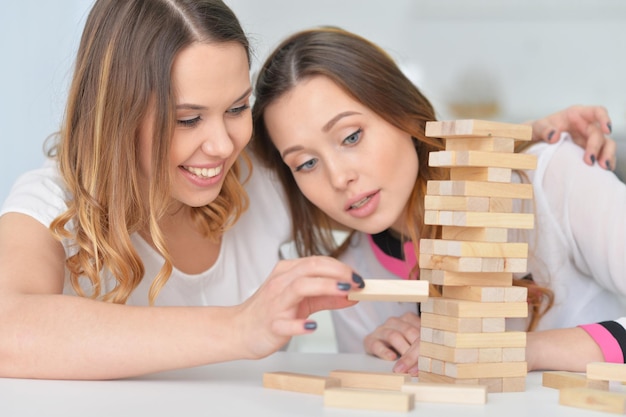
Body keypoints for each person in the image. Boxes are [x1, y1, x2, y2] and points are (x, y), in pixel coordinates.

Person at [0, 1, 367, 380]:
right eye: (188, 120)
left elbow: (390, 210)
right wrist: (241, 326)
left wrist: (409, 326)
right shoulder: (52, 202)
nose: (223, 146)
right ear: (116, 114)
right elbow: (7, 329)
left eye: (238, 108)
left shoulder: (262, 174)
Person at [250, 27, 626, 375]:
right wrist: (381, 362)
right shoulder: (353, 280)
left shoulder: (552, 179)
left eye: (351, 137)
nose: (337, 178)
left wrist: (520, 350)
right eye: (307, 163)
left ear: (403, 114)